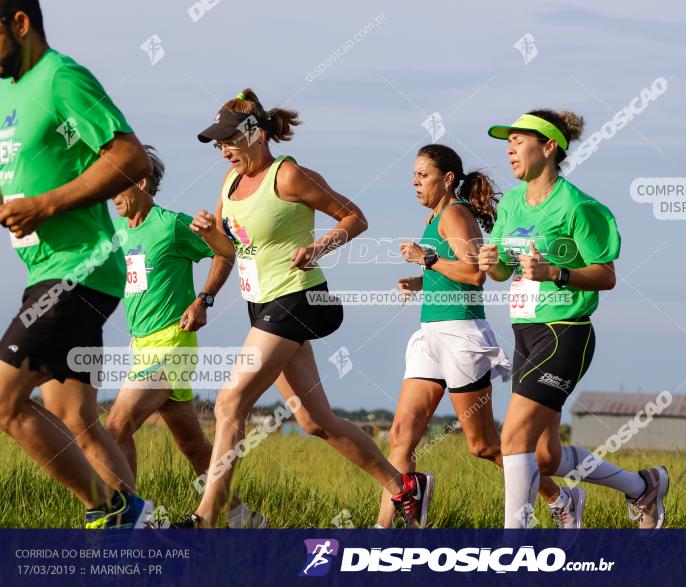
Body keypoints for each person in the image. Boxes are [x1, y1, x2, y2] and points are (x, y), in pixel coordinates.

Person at [175, 89, 431, 528]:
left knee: (229, 402)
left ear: (254, 133)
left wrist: (318, 246)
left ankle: (210, 516)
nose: (224, 151)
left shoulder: (287, 176)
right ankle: (404, 486)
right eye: (218, 144)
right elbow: (229, 250)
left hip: (298, 299)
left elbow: (354, 216)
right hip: (262, 306)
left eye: (229, 141)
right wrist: (206, 245)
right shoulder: (230, 186)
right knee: (314, 420)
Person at [0, 0, 154, 528]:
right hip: (45, 273)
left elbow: (130, 158)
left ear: (19, 23)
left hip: (81, 271)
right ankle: (136, 539)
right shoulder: (5, 92)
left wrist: (45, 205)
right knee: (77, 419)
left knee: (5, 403)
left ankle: (110, 509)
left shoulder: (61, 77)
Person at [375, 144, 584, 529]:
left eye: (423, 175)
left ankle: (560, 497)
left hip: (461, 337)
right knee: (401, 435)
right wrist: (424, 281)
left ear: (448, 179)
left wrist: (427, 259)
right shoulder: (434, 218)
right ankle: (384, 531)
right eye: (414, 174)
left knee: (483, 445)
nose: (415, 182)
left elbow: (475, 275)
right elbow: (453, 271)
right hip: (430, 334)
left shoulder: (455, 215)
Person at [478, 109, 669, 529]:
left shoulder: (578, 207)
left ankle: (515, 549)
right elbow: (502, 272)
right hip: (525, 332)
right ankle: (644, 487)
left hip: (566, 334)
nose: (509, 148)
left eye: (519, 140)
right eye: (506, 142)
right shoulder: (511, 203)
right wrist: (490, 262)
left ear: (548, 147)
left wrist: (556, 273)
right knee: (544, 456)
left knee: (511, 440)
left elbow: (607, 275)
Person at [103, 145, 267, 528]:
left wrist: (203, 299)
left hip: (172, 343)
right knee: (192, 444)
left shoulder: (171, 224)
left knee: (116, 427)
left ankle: (130, 521)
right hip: (140, 346)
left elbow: (224, 253)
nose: (111, 196)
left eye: (117, 185)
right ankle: (244, 518)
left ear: (141, 181)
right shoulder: (119, 233)